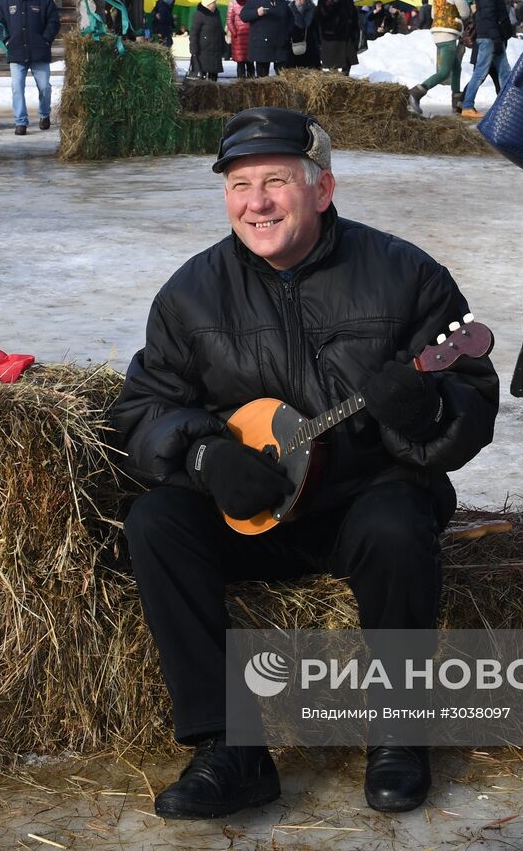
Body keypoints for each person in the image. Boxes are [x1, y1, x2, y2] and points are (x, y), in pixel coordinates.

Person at [111, 106, 499, 820]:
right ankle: (229, 749)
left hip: (361, 496)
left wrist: (422, 412)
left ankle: (400, 735)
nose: (255, 202)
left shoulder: (405, 274)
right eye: (239, 185)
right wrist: (201, 454)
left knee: (396, 521)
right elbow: (141, 408)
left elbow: (470, 398)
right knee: (156, 522)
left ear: (322, 189)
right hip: (255, 511)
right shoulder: (191, 293)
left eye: (276, 182)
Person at [0, 0, 61, 135]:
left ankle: (44, 114)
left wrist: (46, 40)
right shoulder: (5, 1)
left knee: (45, 87)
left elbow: (53, 21)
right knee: (17, 87)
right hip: (16, 51)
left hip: (39, 51)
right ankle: (21, 122)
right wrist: (6, 40)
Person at [408, 0, 471, 112]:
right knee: (444, 72)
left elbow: (433, 14)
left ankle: (456, 102)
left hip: (437, 33)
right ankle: (415, 93)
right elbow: (465, 12)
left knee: (456, 68)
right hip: (448, 34)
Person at [458, 0, 513, 119]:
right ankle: (467, 105)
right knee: (481, 72)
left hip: (491, 36)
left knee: (504, 71)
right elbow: (488, 15)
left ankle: (507, 104)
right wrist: (496, 38)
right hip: (489, 37)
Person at [240, 0, 291, 78]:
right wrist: (256, 12)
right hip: (262, 45)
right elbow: (243, 16)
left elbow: (290, 20)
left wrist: (287, 35)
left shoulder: (282, 2)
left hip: (279, 44)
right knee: (262, 79)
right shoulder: (255, 0)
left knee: (283, 76)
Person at [316, 0, 360, 75]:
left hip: (346, 38)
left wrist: (355, 34)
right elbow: (319, 18)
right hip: (331, 40)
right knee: (332, 70)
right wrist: (328, 5)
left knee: (346, 68)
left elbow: (354, 17)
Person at [188, 0, 226, 81]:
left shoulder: (216, 14)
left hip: (215, 49)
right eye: (213, 3)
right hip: (203, 50)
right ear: (207, 3)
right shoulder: (199, 15)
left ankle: (213, 92)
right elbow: (194, 33)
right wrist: (193, 49)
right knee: (202, 75)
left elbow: (220, 31)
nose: (215, 4)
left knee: (213, 75)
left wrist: (223, 46)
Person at [285, 0, 320, 69]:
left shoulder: (312, 10)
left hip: (309, 45)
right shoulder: (289, 9)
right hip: (293, 45)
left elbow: (316, 28)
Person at [227, 0, 254, 79]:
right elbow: (229, 20)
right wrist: (235, 33)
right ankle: (240, 85)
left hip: (250, 38)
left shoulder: (253, 2)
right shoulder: (232, 4)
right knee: (240, 64)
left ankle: (252, 85)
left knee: (250, 64)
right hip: (238, 39)